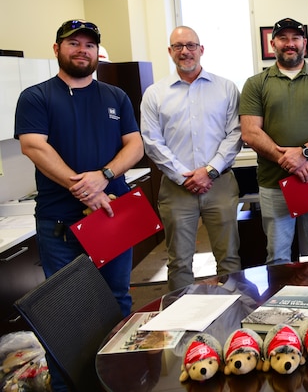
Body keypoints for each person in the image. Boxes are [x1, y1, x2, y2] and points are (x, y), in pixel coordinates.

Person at [14, 19, 144, 392]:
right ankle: (68, 386)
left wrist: (103, 175)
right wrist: (82, 186)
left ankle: (118, 379)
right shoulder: (36, 96)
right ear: (57, 49)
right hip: (61, 226)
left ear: (97, 53)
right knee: (67, 312)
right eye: (73, 43)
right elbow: (34, 146)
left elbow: (134, 146)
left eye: (89, 44)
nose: (82, 50)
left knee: (118, 299)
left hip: (112, 215)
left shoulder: (115, 97)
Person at [140, 26, 243, 291]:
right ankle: (182, 321)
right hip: (176, 188)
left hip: (219, 183)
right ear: (170, 51)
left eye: (190, 45)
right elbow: (152, 141)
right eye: (178, 46)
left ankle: (232, 316)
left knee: (229, 258)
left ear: (201, 49)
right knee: (178, 262)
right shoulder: (155, 93)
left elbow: (235, 134)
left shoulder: (226, 88)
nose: (185, 51)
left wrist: (209, 171)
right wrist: (183, 176)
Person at [239, 18, 308, 265]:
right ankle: (282, 305)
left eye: (295, 38)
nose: (290, 44)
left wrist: (304, 153)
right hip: (274, 182)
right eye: (283, 39)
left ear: (304, 43)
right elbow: (250, 132)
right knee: (278, 255)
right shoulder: (256, 84)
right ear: (272, 43)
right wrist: (289, 161)